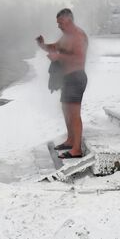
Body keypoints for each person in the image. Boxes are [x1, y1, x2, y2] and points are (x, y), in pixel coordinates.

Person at [36, 8, 88, 159]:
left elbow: (78, 59)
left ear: (69, 21)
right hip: (67, 78)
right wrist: (43, 45)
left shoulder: (78, 36)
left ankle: (77, 149)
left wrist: (58, 57)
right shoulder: (67, 36)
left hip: (76, 77)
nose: (58, 26)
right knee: (66, 111)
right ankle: (70, 140)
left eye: (60, 23)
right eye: (58, 23)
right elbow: (55, 48)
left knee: (74, 113)